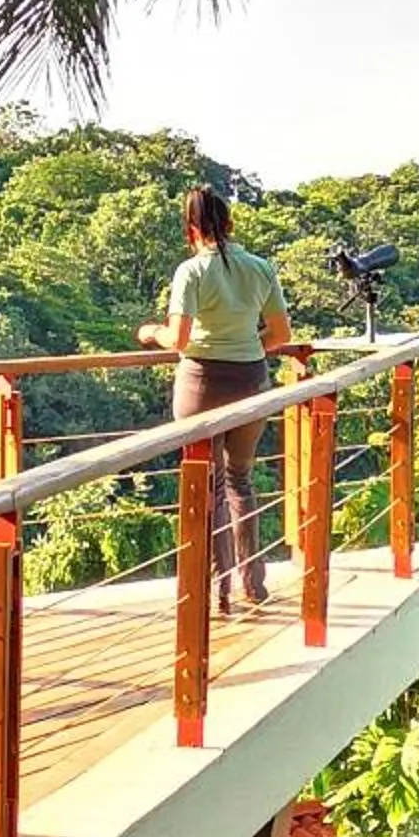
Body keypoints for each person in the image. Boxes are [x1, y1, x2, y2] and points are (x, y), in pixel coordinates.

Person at [138, 186, 291, 614]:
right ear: (230, 224)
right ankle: (253, 587)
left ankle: (216, 590)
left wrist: (150, 333)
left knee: (207, 489)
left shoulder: (191, 271)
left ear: (191, 230)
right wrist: (245, 340)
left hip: (200, 384)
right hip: (250, 380)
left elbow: (179, 339)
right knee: (239, 482)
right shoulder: (260, 268)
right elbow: (281, 336)